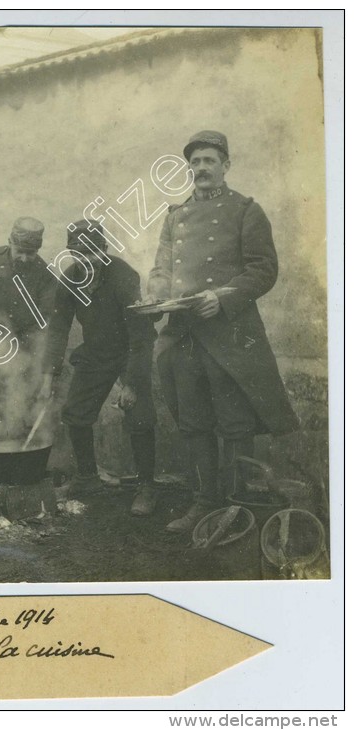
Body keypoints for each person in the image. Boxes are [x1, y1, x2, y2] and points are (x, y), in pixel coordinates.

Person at [147, 130, 298, 533]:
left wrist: (224, 298)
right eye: (195, 163)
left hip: (228, 336)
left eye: (209, 161)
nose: (201, 169)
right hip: (184, 335)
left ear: (226, 166)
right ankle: (204, 503)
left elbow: (264, 269)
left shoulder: (246, 210)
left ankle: (234, 510)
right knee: (194, 423)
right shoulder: (175, 216)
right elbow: (162, 267)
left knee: (234, 424)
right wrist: (156, 292)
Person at [41, 220, 158, 515]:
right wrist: (48, 375)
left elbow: (140, 334)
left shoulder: (122, 275)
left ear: (104, 251)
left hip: (128, 352)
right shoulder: (70, 278)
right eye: (78, 254)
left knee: (139, 414)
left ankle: (147, 486)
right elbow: (58, 328)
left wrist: (131, 383)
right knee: (76, 413)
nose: (85, 261)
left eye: (91, 253)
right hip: (95, 353)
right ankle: (87, 478)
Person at [0, 217, 56, 443]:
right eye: (20, 252)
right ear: (9, 242)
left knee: (16, 411)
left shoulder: (45, 277)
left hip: (21, 357)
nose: (25, 258)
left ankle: (13, 468)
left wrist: (35, 369)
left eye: (31, 253)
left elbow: (45, 328)